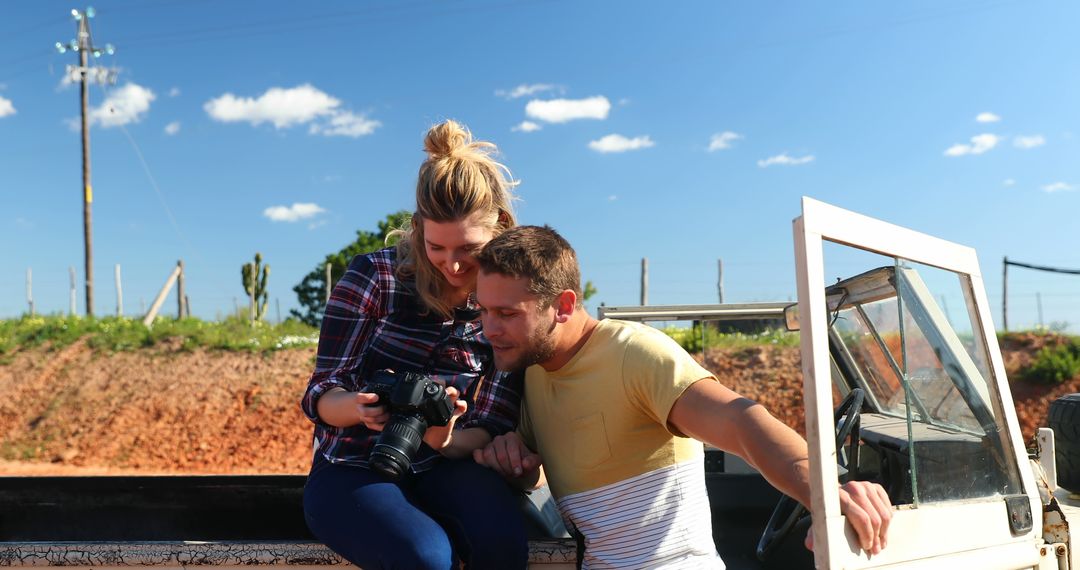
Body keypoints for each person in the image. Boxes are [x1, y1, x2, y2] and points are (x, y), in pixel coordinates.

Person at [471, 225, 893, 569]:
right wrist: (515, 458)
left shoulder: (633, 354)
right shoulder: (534, 376)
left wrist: (825, 494)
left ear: (562, 306)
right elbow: (541, 471)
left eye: (507, 314)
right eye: (484, 311)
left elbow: (740, 422)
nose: (489, 330)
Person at [300, 120, 528, 570]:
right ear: (418, 227)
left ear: (500, 226)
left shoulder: (509, 299)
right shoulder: (374, 277)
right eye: (436, 247)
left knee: (502, 542)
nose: (453, 264)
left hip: (448, 462)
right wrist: (363, 407)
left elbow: (495, 421)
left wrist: (444, 438)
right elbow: (321, 394)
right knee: (423, 558)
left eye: (469, 248)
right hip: (352, 464)